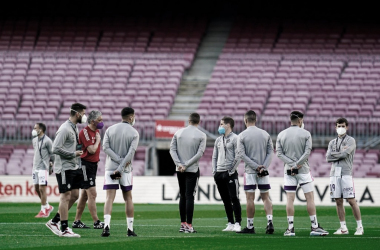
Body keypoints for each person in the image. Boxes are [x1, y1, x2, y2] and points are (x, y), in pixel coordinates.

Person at [276, 110, 328, 236]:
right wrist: (298, 164)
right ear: (300, 120)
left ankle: (290, 229)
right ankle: (314, 227)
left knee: (290, 199)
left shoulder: (281, 134)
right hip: (303, 169)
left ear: (290, 120)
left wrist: (292, 164)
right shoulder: (306, 133)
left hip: (288, 170)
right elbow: (307, 151)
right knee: (309, 198)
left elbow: (279, 153)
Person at [45, 103, 87, 238]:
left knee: (75, 195)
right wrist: (72, 154)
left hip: (73, 166)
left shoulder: (73, 127)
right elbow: (55, 148)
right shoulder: (64, 128)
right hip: (64, 167)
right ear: (77, 114)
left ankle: (54, 221)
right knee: (65, 196)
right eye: (83, 113)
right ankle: (64, 229)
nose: (84, 116)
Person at [232, 110, 274, 234]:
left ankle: (250, 226)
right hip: (263, 171)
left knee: (250, 198)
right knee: (266, 197)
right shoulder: (265, 134)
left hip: (250, 171)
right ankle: (270, 222)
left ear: (245, 120)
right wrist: (263, 167)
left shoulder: (242, 135)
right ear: (256, 120)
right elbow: (270, 152)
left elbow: (241, 154)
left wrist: (256, 167)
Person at [101, 107, 139, 237]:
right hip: (126, 170)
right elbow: (131, 153)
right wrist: (122, 165)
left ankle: (106, 227)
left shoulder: (110, 129)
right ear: (131, 117)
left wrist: (117, 161)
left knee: (109, 198)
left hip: (111, 167)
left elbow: (105, 147)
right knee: (128, 198)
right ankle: (129, 229)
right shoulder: (134, 132)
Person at [170, 113, 207, 233]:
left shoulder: (178, 133)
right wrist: (186, 165)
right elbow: (199, 154)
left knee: (182, 195)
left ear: (189, 120)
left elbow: (172, 150)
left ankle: (182, 224)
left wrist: (179, 164)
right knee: (190, 196)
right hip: (192, 169)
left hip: (179, 169)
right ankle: (189, 226)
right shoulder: (201, 135)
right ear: (198, 121)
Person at [326, 117, 363, 235]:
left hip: (346, 173)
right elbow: (328, 158)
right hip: (333, 174)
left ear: (347, 127)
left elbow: (345, 154)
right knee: (338, 201)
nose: (340, 128)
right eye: (338, 126)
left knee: (351, 200)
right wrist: (339, 154)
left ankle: (360, 227)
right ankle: (343, 228)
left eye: (343, 126)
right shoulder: (332, 142)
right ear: (335, 127)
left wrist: (335, 154)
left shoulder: (351, 140)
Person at [72, 110, 104, 229]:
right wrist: (97, 141)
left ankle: (77, 221)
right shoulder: (85, 132)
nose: (101, 122)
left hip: (92, 165)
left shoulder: (95, 131)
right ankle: (96, 222)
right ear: (92, 121)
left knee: (85, 196)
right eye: (99, 120)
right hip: (86, 165)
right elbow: (91, 150)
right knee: (92, 194)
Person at [212, 116, 242, 232]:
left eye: (221, 124)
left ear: (228, 125)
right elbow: (214, 156)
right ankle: (230, 222)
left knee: (234, 198)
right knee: (225, 199)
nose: (219, 126)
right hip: (219, 173)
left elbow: (238, 155)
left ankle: (238, 223)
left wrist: (231, 170)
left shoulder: (235, 138)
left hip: (230, 173)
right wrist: (214, 171)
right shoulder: (218, 140)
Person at [32, 122, 54, 218]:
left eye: (35, 128)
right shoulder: (34, 140)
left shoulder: (48, 141)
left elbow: (52, 154)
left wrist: (51, 165)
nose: (34, 130)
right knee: (37, 189)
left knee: (42, 188)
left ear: (41, 130)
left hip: (43, 168)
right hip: (35, 168)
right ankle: (47, 206)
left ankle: (43, 210)